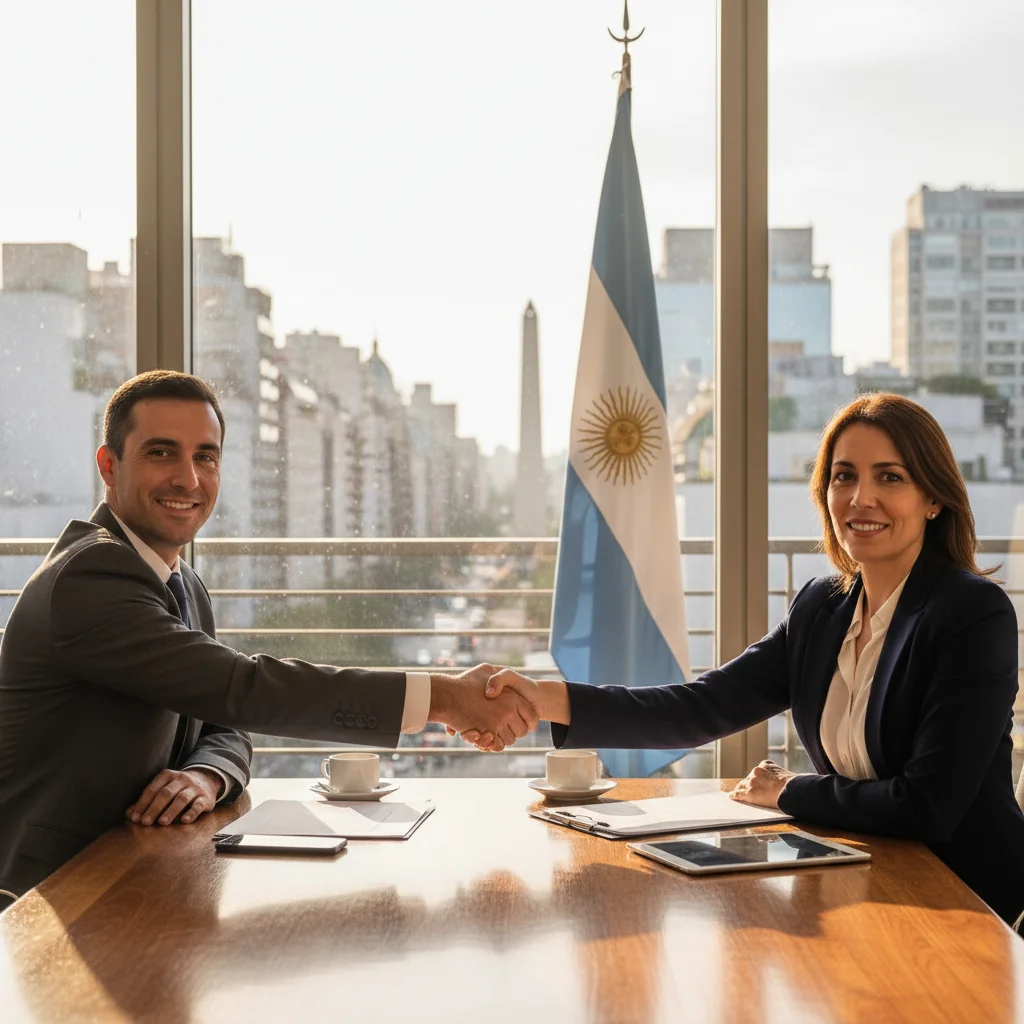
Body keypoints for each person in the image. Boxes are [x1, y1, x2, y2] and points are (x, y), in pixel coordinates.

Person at [476, 393, 1024, 924]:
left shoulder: (972, 614)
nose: (860, 498)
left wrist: (789, 791)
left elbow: (927, 805)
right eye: (843, 476)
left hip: (966, 899)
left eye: (890, 477)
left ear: (934, 499)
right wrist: (548, 698)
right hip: (867, 880)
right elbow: (700, 708)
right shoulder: (822, 609)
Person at [0, 371, 536, 902]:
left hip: (140, 878)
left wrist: (208, 774)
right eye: (162, 453)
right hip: (49, 898)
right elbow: (244, 689)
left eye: (205, 456)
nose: (188, 478)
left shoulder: (182, 582)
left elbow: (223, 720)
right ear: (109, 466)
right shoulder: (90, 577)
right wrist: (444, 698)